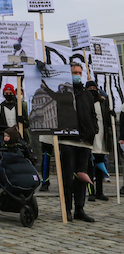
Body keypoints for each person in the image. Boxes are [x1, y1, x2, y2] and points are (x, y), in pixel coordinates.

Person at [57, 62, 97, 222]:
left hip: (84, 142)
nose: (77, 75)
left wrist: (93, 130)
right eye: (74, 72)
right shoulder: (63, 91)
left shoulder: (87, 94)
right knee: (67, 177)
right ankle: (67, 208)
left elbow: (93, 115)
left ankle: (80, 208)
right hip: (68, 140)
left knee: (82, 176)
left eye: (79, 72)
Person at [85, 80, 111, 202]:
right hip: (90, 137)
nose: (92, 89)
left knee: (100, 165)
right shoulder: (85, 102)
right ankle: (91, 191)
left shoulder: (103, 103)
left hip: (101, 137)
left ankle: (99, 191)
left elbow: (106, 119)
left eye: (93, 87)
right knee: (90, 166)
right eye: (89, 87)